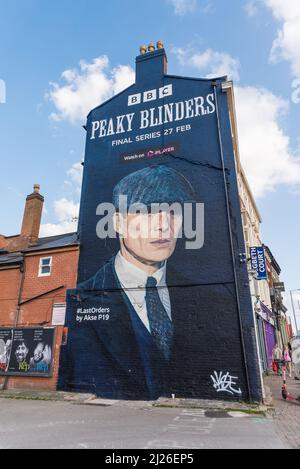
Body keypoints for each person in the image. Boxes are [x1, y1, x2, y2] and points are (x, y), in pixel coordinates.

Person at [61, 165, 240, 400]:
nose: (164, 225)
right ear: (118, 222)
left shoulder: (211, 299)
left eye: (173, 212)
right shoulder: (83, 299)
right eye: (146, 211)